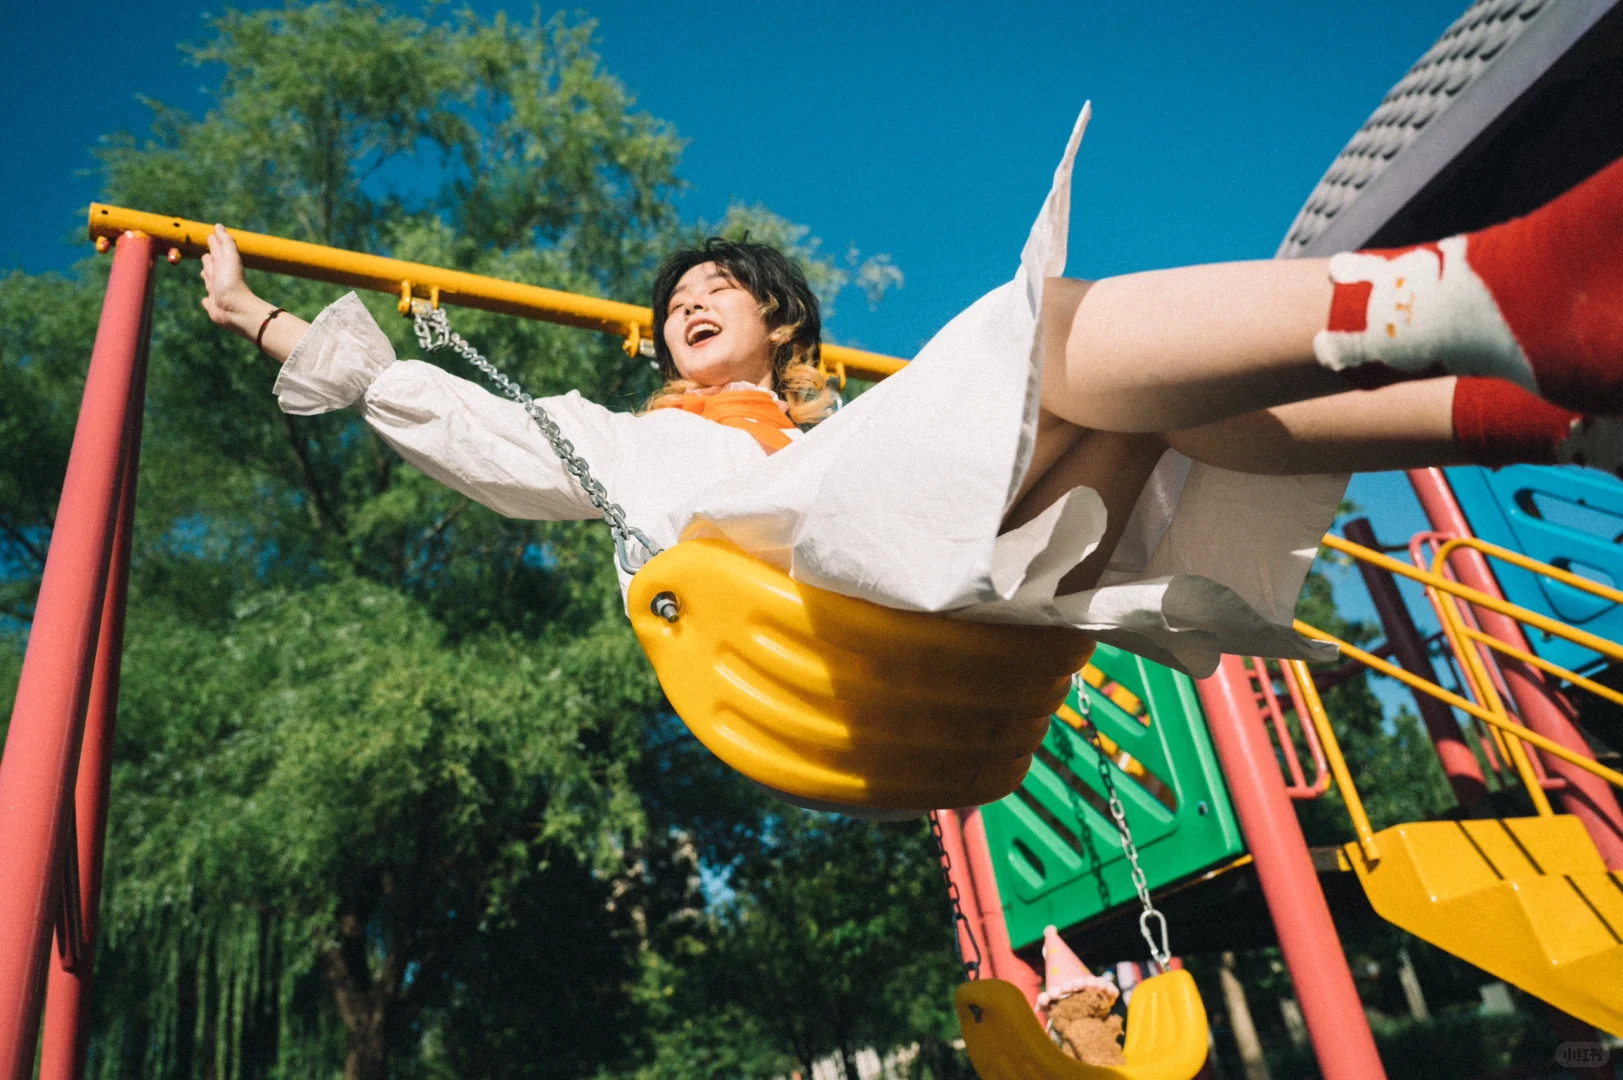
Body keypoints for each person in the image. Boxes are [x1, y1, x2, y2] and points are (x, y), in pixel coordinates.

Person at [200, 105, 1623, 679]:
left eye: (716, 289)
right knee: (1046, 334)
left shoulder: (853, 428)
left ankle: (1549, 415)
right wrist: (261, 315)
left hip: (979, 573)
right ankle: (1497, 292)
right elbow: (447, 420)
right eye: (668, 303)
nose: (684, 303)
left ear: (780, 323)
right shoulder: (608, 440)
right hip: (845, 607)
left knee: (1148, 400)